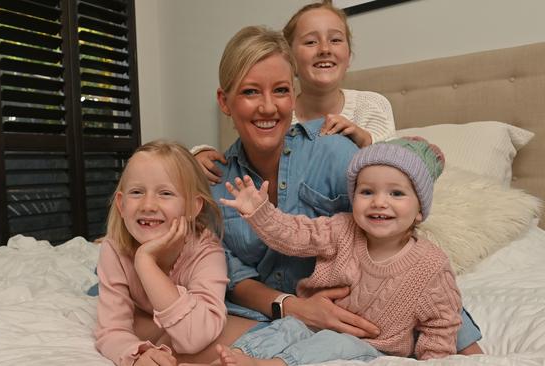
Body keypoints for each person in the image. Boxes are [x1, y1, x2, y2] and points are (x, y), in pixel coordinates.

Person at [178, 24, 481, 364]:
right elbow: (229, 275)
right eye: (250, 92)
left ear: (293, 96)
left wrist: (470, 348)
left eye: (280, 90)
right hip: (264, 317)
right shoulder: (213, 182)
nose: (267, 107)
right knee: (174, 332)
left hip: (348, 325)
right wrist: (291, 307)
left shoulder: (335, 153)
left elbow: (401, 246)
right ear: (224, 101)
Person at [215, 138, 462, 365]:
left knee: (337, 342)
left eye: (396, 193)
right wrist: (260, 212)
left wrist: (436, 362)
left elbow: (441, 326)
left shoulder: (431, 265)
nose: (379, 202)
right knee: (289, 326)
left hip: (373, 351)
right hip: (317, 328)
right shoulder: (342, 228)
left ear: (420, 210)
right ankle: (235, 358)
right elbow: (294, 234)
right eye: (367, 192)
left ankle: (271, 365)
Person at [193, 0, 396, 184]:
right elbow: (239, 158)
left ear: (349, 55)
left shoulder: (372, 106)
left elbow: (400, 170)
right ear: (291, 59)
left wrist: (367, 143)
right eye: (310, 42)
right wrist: (196, 156)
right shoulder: (278, 124)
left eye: (335, 40)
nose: (325, 49)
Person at [94, 140, 229, 366]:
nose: (148, 205)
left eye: (165, 193)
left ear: (192, 207)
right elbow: (111, 330)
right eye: (136, 192)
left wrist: (146, 262)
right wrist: (136, 355)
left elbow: (195, 337)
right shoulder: (114, 248)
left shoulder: (207, 252)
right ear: (121, 204)